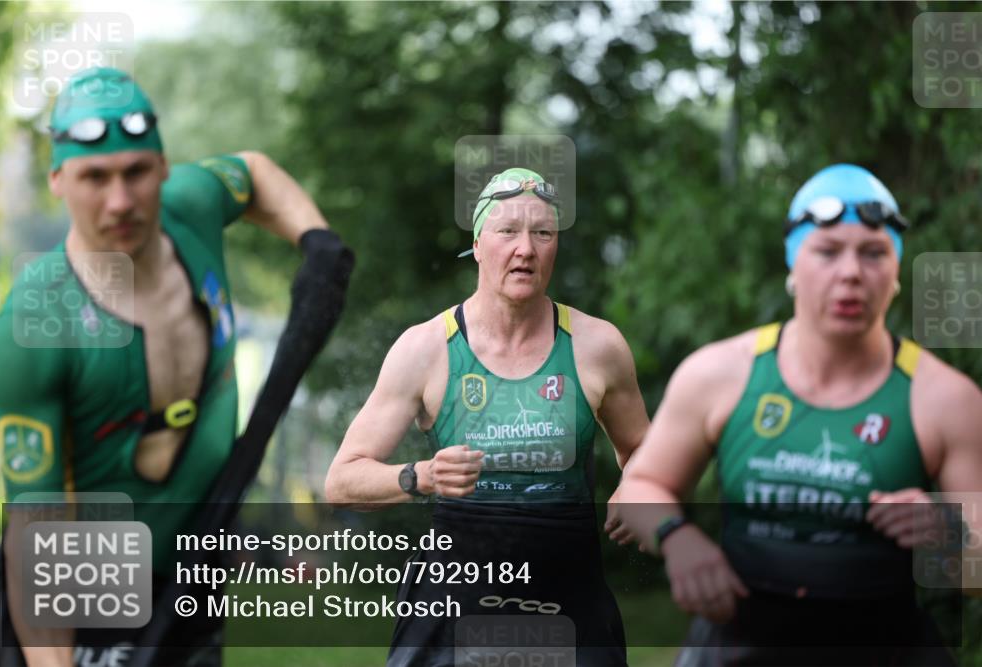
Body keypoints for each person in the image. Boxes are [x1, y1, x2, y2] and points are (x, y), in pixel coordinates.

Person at [0, 67, 353, 667]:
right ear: (57, 180)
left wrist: (315, 239)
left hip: (195, 575)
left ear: (163, 167)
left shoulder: (190, 204)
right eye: (94, 178)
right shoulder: (36, 326)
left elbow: (253, 171)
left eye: (135, 172)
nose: (120, 201)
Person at [618, 164, 982, 665]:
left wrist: (947, 533)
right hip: (739, 643)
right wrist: (677, 540)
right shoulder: (720, 374)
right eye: (828, 252)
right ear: (793, 263)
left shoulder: (945, 399)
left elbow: (975, 577)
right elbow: (637, 489)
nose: (851, 272)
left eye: (874, 253)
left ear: (896, 270)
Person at [324, 167, 649, 666]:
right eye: (508, 231)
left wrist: (636, 488)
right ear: (477, 244)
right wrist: (422, 475)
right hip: (455, 599)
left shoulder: (597, 346)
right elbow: (342, 480)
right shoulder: (426, 348)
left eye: (542, 232)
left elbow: (646, 451)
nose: (526, 248)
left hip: (567, 595)